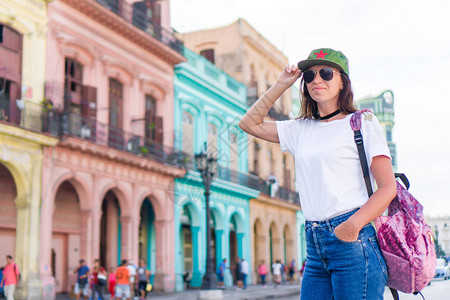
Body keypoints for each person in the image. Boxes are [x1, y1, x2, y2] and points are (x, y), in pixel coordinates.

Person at [239, 48, 396, 300]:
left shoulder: (362, 122)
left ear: (343, 81)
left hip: (353, 242)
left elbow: (388, 187)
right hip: (314, 245)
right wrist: (281, 84)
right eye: (309, 76)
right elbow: (249, 123)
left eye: (326, 73)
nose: (317, 80)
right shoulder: (299, 128)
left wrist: (352, 226)